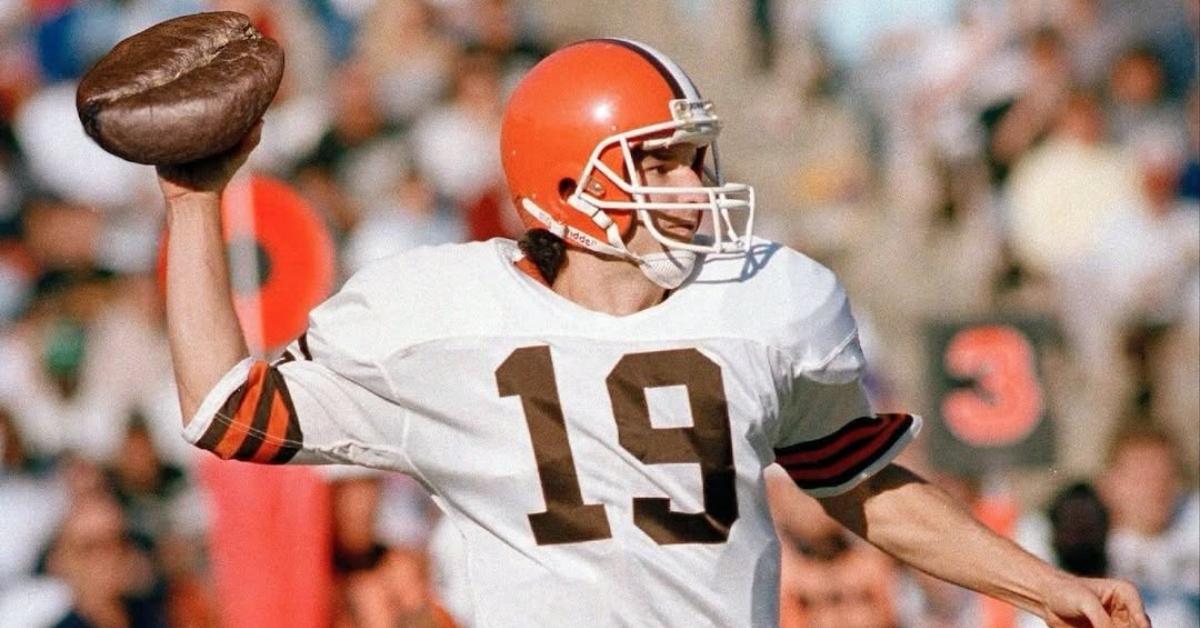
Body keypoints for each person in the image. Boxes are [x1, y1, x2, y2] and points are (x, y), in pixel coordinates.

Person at [156, 38, 1149, 627]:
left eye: (693, 159)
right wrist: (195, 201)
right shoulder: (438, 316)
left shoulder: (770, 299)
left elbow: (860, 486)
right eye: (657, 163)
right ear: (567, 183)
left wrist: (1044, 587)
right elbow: (227, 407)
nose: (692, 188)